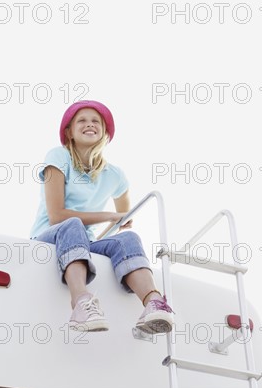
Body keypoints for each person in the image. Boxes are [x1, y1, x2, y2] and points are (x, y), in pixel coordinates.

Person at [30, 100, 174, 333]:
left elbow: (125, 219)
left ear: (105, 132)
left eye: (96, 121)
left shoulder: (115, 175)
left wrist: (118, 220)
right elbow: (56, 215)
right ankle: (81, 303)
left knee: (128, 239)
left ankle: (154, 302)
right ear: (69, 131)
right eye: (82, 121)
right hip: (50, 235)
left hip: (84, 242)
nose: (90, 125)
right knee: (71, 224)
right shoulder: (57, 156)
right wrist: (109, 215)